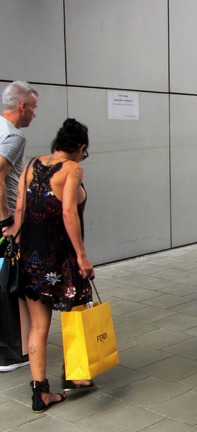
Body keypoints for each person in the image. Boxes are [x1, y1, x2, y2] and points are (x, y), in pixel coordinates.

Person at [12, 118, 95, 413]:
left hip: (32, 258)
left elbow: (20, 208)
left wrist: (14, 238)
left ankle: (40, 392)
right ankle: (77, 374)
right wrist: (82, 256)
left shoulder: (32, 164)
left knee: (38, 326)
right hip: (61, 258)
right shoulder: (72, 169)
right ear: (80, 148)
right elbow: (69, 212)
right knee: (75, 314)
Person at [0, 81, 39, 373]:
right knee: (13, 283)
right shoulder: (14, 137)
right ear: (22, 106)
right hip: (6, 224)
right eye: (34, 108)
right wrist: (7, 221)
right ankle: (15, 352)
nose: (34, 115)